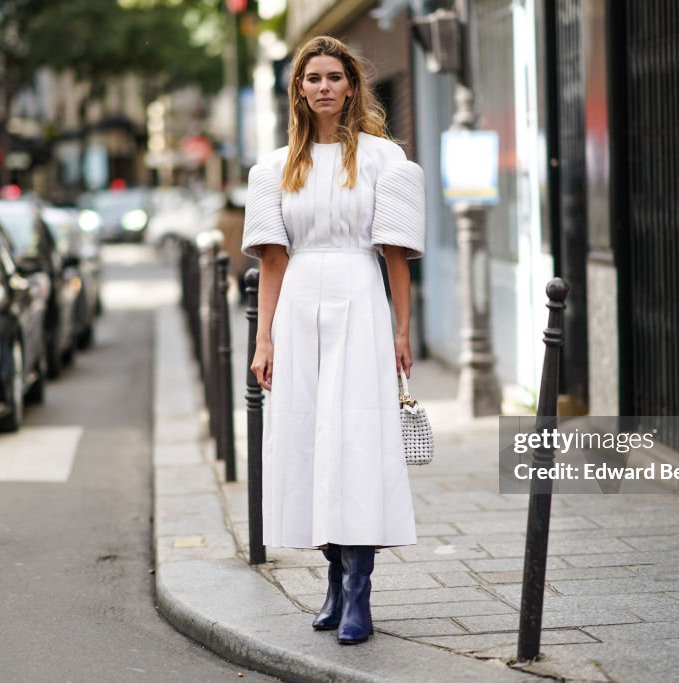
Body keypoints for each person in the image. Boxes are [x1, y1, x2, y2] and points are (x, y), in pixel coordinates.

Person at [242, 35, 425, 645]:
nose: (323, 87)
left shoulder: (385, 161)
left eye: (334, 77)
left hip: (360, 302)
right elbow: (272, 261)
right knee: (305, 443)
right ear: (297, 88)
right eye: (312, 77)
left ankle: (359, 590)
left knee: (356, 443)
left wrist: (402, 329)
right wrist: (263, 340)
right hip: (297, 309)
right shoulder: (272, 169)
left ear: (352, 86)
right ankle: (332, 576)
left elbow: (395, 257)